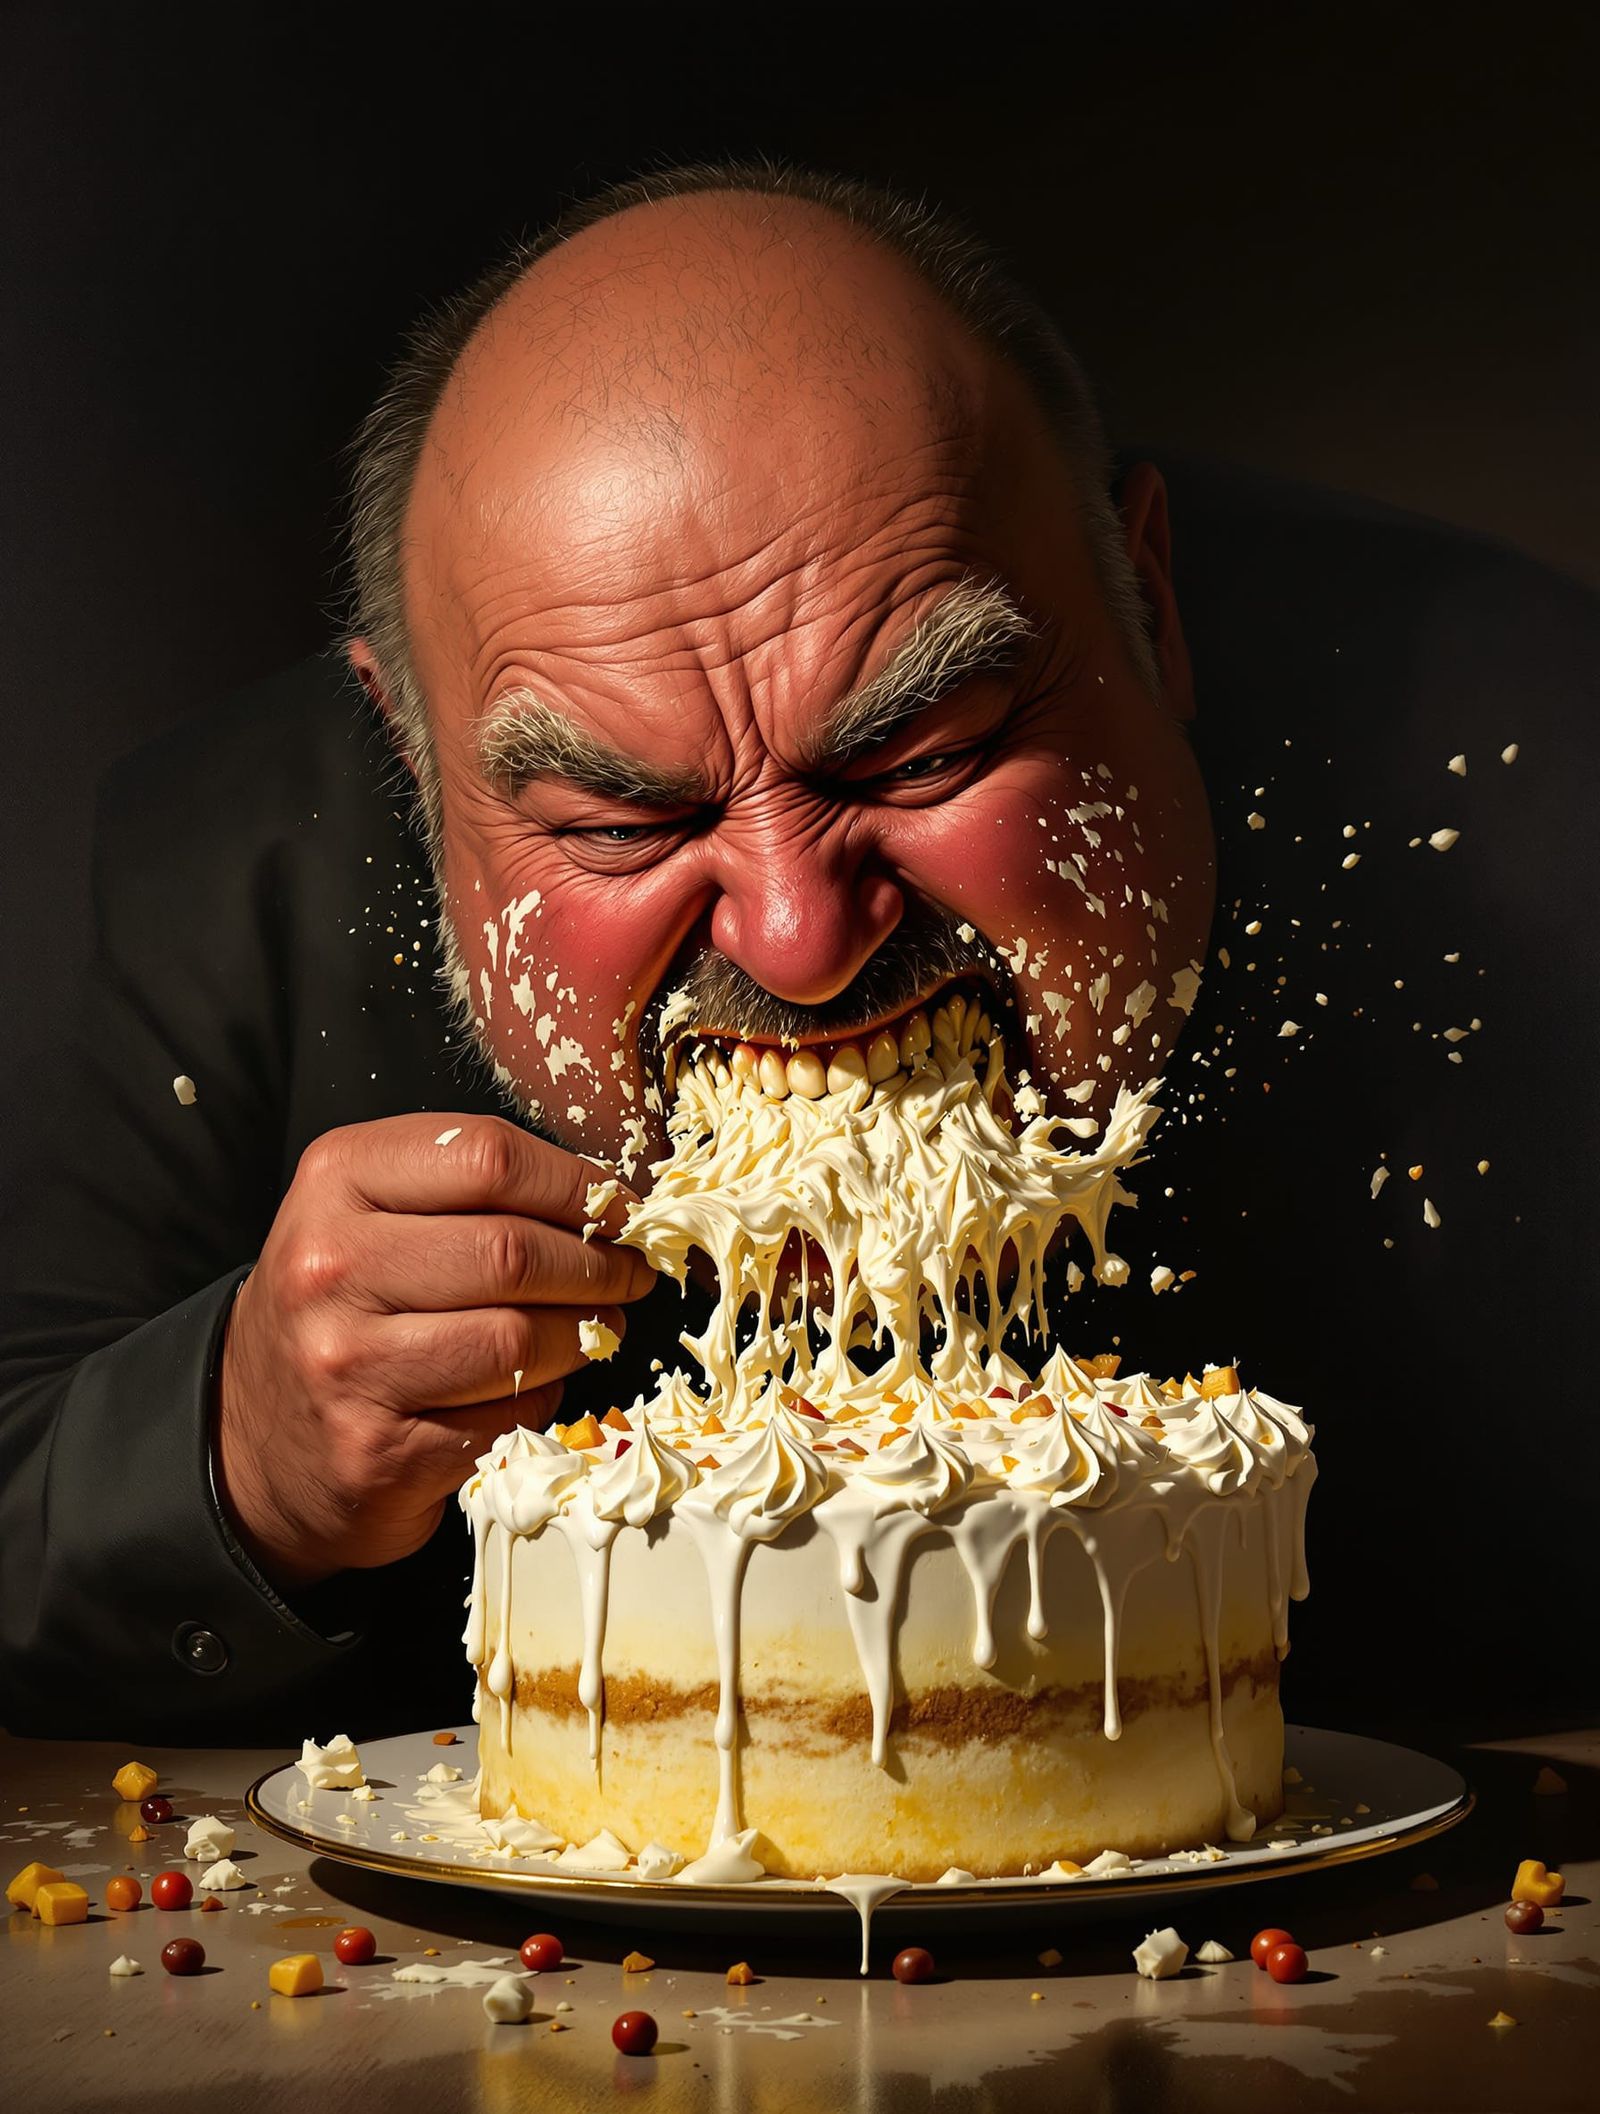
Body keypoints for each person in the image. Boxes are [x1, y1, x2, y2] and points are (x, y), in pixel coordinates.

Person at [3, 162, 1594, 1744]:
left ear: (1150, 607)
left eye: (921, 760)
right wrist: (241, 1451)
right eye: (624, 829)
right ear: (417, 773)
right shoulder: (228, 873)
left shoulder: (1536, 783)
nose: (802, 940)